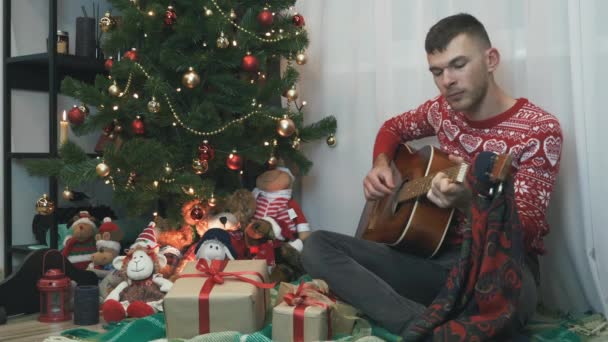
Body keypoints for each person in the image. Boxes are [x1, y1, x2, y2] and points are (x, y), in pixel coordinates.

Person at [301, 13, 562, 338]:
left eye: (458, 65)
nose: (446, 81)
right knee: (316, 246)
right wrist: (381, 164)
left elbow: (525, 229)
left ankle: (425, 322)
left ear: (491, 59)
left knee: (509, 305)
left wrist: (469, 202)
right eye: (437, 72)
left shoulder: (539, 130)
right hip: (433, 262)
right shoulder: (442, 111)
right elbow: (392, 128)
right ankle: (425, 326)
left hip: (499, 267)